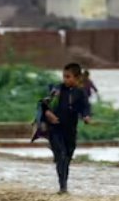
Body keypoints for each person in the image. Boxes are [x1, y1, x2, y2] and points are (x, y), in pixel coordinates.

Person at [40, 62, 93, 194]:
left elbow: (85, 107)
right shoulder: (57, 90)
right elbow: (44, 105)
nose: (65, 79)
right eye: (64, 76)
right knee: (62, 156)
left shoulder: (80, 92)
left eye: (68, 77)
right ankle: (63, 187)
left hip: (70, 130)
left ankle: (63, 183)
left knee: (67, 156)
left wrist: (86, 116)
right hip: (55, 129)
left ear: (77, 78)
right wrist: (48, 114)